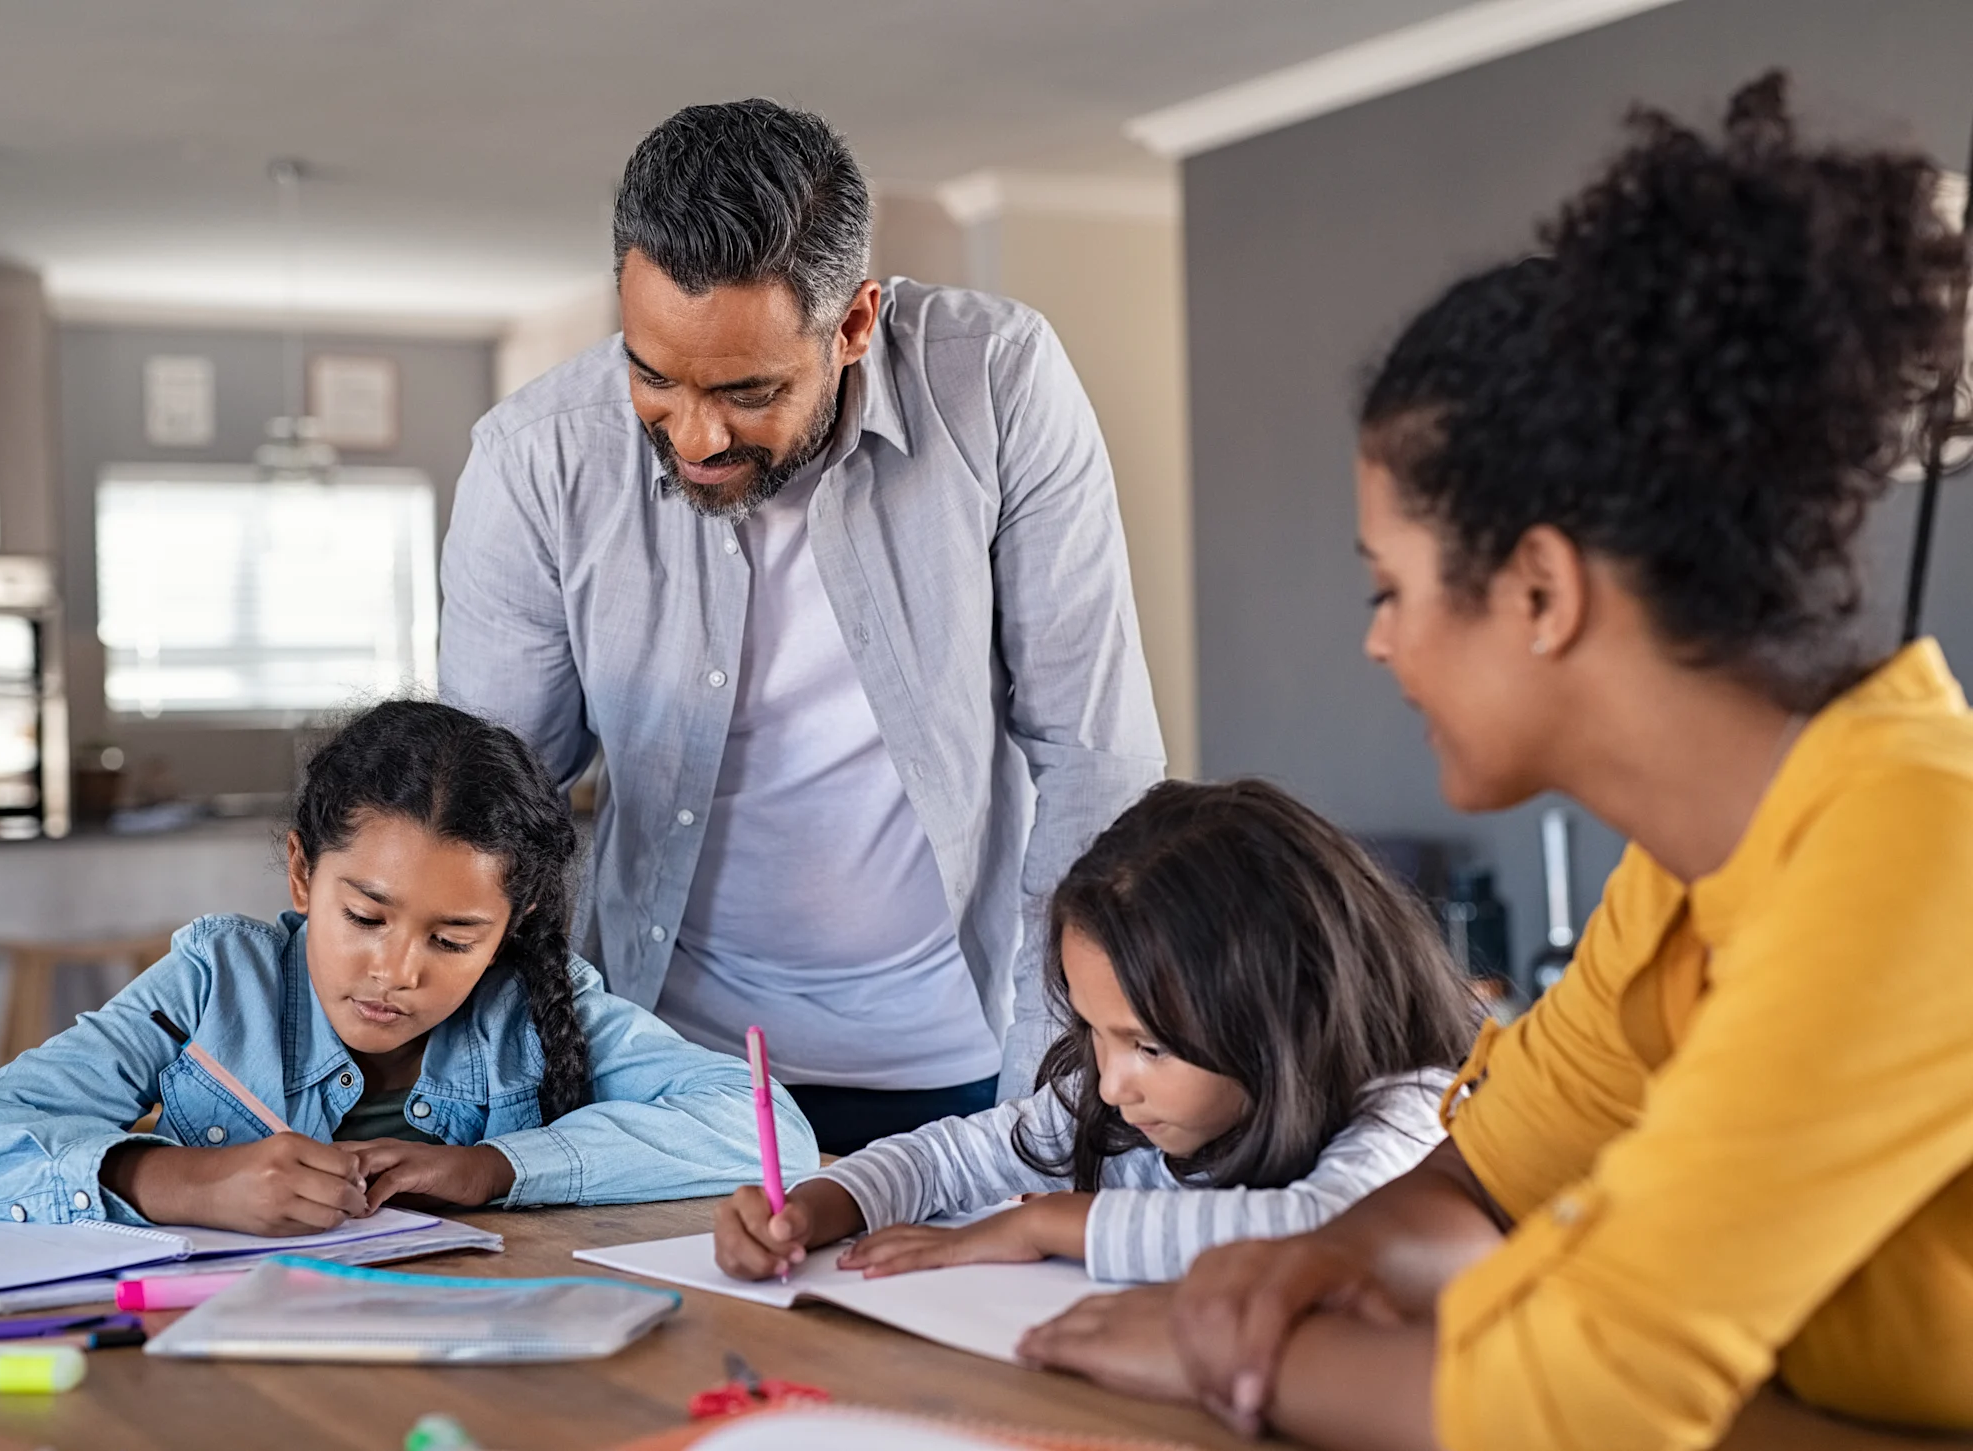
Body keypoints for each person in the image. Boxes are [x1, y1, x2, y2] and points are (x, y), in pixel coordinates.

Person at [1018, 74, 1973, 1450]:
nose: (1379, 644)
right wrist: (1317, 1261)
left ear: (1538, 590)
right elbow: (1490, 1176)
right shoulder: (1689, 871)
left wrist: (1221, 1356)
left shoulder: (1906, 843)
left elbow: (1578, 1398)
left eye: (1389, 589)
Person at [438, 99, 1166, 1153]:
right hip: (668, 1067)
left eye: (745, 390)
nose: (693, 433)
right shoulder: (534, 457)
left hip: (970, 1054)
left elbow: (1096, 756)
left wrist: (1057, 1085)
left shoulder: (998, 381)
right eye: (652, 374)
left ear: (855, 324)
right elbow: (483, 808)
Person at [0, 701, 818, 1231]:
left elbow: (766, 1128)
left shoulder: (541, 1005)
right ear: (305, 872)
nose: (396, 969)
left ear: (513, 925)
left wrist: (497, 1165)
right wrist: (180, 1181)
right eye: (366, 916)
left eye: (453, 938)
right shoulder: (214, 982)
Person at [711, 778, 1478, 1285]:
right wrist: (819, 1205)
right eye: (1093, 1030)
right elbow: (949, 1156)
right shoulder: (1115, 1098)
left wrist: (1048, 1222)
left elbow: (1329, 1230)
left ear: (1290, 1012)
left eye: (1149, 1045)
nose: (1110, 1084)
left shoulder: (1413, 1111)